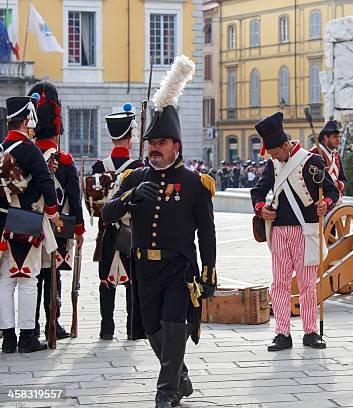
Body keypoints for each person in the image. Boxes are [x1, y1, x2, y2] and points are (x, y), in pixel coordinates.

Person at [102, 55, 216, 408]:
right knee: (153, 331)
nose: (153, 148)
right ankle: (179, 375)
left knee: (174, 325)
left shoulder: (196, 184)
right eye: (150, 142)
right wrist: (131, 195)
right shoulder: (135, 178)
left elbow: (207, 234)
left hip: (178, 268)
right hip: (144, 269)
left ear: (176, 146)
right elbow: (107, 213)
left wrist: (209, 273)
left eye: (161, 143)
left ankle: (165, 393)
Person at [250, 111, 339, 352]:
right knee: (279, 283)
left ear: (287, 145)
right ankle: (282, 333)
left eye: (276, 153)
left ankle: (310, 332)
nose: (274, 158)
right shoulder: (272, 165)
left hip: (305, 230)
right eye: (271, 155)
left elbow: (332, 191)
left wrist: (326, 204)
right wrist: (261, 209)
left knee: (307, 284)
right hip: (279, 231)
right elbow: (257, 192)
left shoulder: (312, 161)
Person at [0, 95, 62, 353]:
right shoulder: (31, 149)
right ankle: (26, 337)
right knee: (27, 279)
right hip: (27, 220)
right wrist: (53, 212)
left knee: (5, 280)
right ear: (27, 120)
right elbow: (46, 183)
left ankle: (8, 339)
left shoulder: (2, 149)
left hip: (3, 221)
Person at [26, 81, 85, 342]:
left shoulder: (22, 155)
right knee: (53, 275)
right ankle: (54, 322)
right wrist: (80, 229)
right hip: (57, 226)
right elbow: (74, 196)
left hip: (25, 224)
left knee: (32, 279)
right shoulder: (65, 161)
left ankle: (33, 326)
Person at [91, 104, 145, 341]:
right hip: (129, 230)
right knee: (132, 282)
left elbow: (92, 204)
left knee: (106, 281)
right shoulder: (138, 169)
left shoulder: (97, 167)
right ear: (131, 137)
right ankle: (133, 329)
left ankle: (106, 329)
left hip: (105, 231)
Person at [310, 120, 348, 198]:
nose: (338, 139)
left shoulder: (336, 155)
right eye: (334, 137)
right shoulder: (315, 152)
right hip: (321, 199)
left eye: (339, 136)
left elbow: (343, 179)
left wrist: (338, 184)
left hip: (335, 198)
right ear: (326, 138)